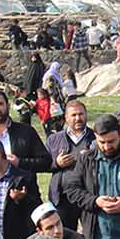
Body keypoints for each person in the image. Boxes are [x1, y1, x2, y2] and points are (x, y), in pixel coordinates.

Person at [42, 99, 94, 230]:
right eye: (73, 115)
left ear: (86, 115)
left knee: (89, 234)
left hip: (87, 195)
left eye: (81, 114)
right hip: (62, 197)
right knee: (64, 235)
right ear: (66, 117)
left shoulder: (95, 137)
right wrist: (56, 163)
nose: (78, 118)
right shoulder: (54, 139)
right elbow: (42, 163)